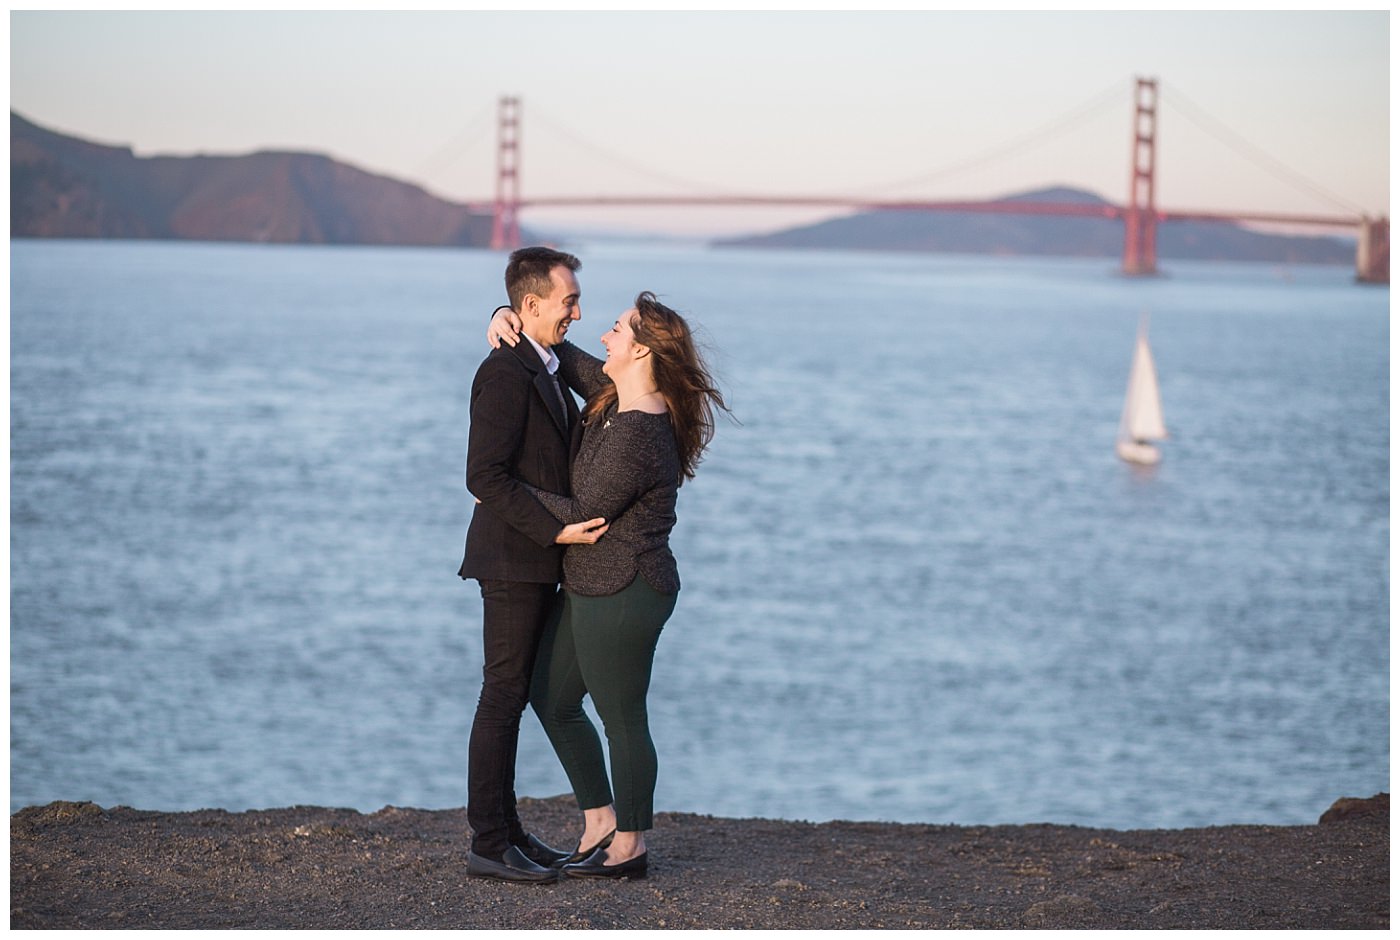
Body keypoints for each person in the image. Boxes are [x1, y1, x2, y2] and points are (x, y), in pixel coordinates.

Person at [487, 291, 728, 880]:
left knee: (623, 717)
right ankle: (599, 820)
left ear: (641, 348)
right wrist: (507, 317)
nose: (604, 336)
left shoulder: (640, 430)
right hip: (593, 585)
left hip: (628, 588)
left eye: (616, 328)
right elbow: (561, 354)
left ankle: (631, 845)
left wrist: (500, 493)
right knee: (550, 695)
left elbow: (586, 511)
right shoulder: (616, 393)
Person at [458, 246, 610, 884]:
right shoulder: (504, 373)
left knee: (514, 695)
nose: (578, 310)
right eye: (569, 300)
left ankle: (509, 831)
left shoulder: (541, 363)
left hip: (534, 557)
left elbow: (600, 383)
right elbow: (483, 476)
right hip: (512, 558)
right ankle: (489, 843)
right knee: (501, 697)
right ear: (531, 304)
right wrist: (557, 531)